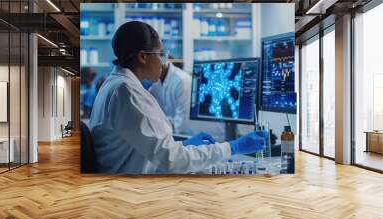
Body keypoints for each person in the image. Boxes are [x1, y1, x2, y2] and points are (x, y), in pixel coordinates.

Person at [89, 21, 267, 174]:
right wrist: (233, 147)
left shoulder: (117, 84)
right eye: (160, 54)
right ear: (142, 57)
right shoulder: (127, 91)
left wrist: (183, 145)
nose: (165, 61)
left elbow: (157, 148)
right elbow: (172, 160)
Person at [146, 57, 192, 134]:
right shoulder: (155, 84)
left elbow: (181, 125)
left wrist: (155, 124)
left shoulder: (182, 80)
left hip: (182, 136)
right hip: (166, 133)